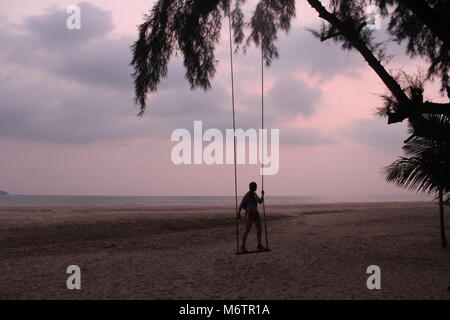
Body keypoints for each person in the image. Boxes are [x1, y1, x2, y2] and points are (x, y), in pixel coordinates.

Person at [237, 182, 267, 253]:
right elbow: (241, 204)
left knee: (259, 228)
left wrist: (262, 195)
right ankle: (243, 247)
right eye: (253, 186)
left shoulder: (254, 194)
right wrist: (238, 213)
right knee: (247, 230)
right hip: (249, 213)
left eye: (254, 186)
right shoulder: (247, 195)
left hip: (255, 213)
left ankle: (259, 245)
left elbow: (260, 202)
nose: (253, 188)